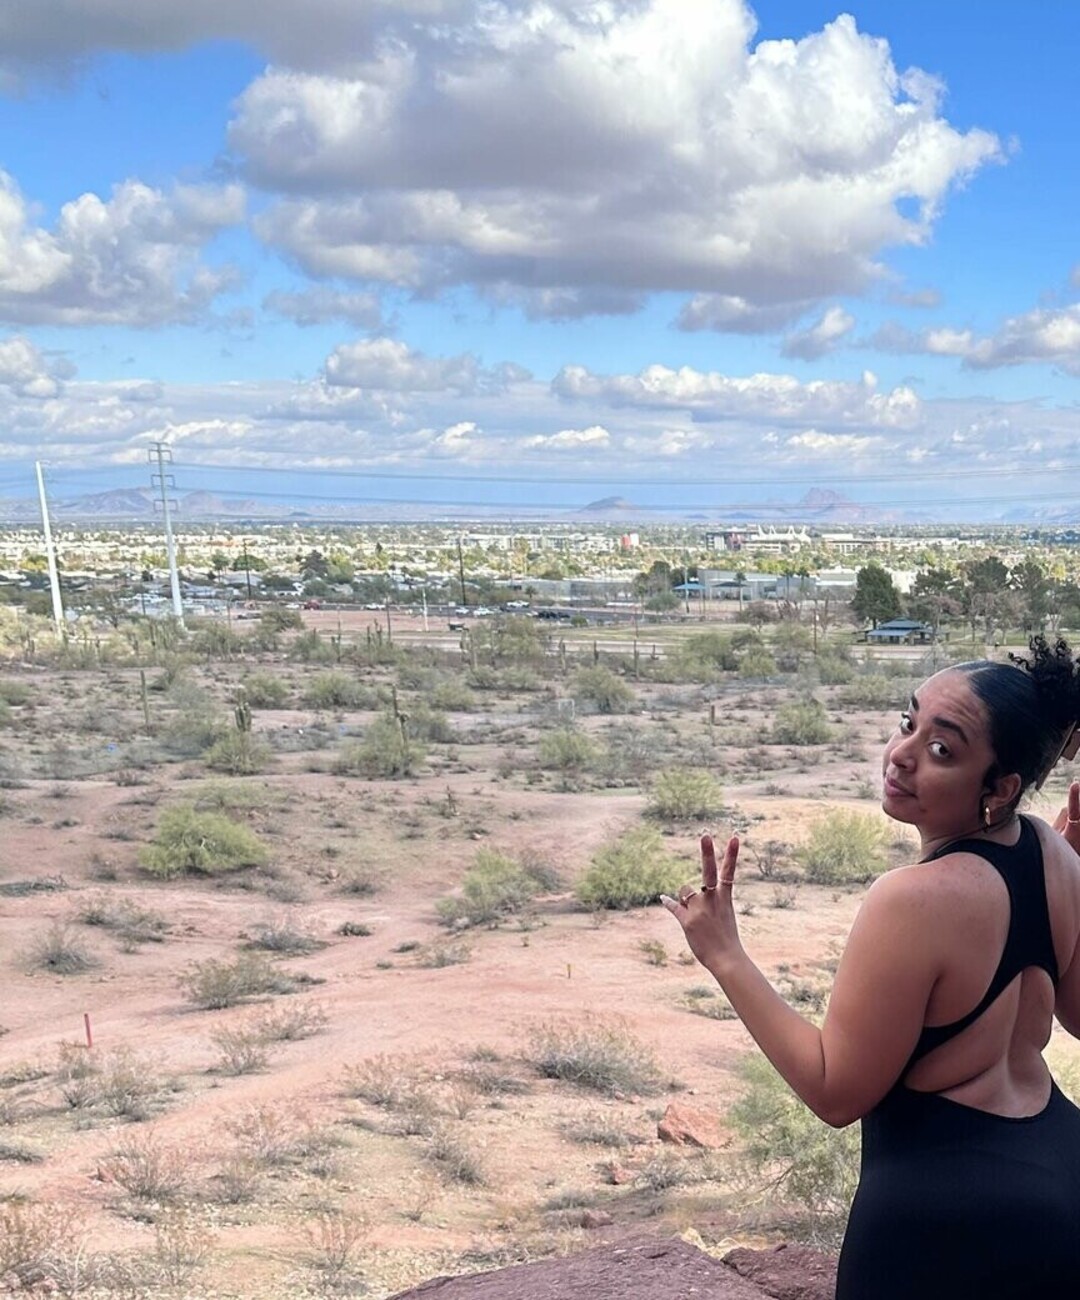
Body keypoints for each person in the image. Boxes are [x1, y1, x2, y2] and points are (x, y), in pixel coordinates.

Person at [663, 635, 1080, 1298]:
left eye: (941, 750)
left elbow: (836, 1093)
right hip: (1063, 1174)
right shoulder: (1052, 850)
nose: (901, 755)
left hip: (946, 1220)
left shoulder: (911, 899)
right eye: (907, 723)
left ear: (1000, 788)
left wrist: (725, 955)